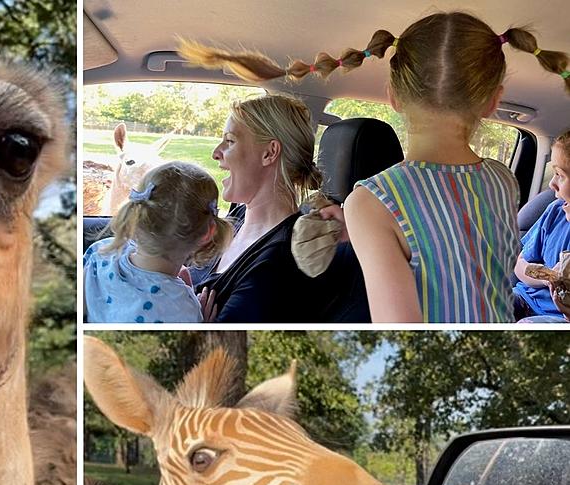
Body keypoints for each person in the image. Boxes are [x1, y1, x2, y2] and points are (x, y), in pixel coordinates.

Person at [181, 12, 569, 323]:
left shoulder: (372, 200)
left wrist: (366, 219)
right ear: (492, 102)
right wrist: (360, 225)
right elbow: (453, 233)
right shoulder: (502, 180)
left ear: (393, 96)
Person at [186, 94, 370, 322]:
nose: (216, 152)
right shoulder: (237, 216)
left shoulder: (276, 264)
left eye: (230, 141)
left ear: (270, 153)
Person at [83, 161, 232, 323]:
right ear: (208, 233)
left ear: (137, 213)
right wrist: (203, 324)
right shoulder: (182, 309)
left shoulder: (100, 252)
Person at [513, 130, 570, 322]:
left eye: (559, 174)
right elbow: (520, 263)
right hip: (523, 298)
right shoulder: (555, 211)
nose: (552, 184)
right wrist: (545, 279)